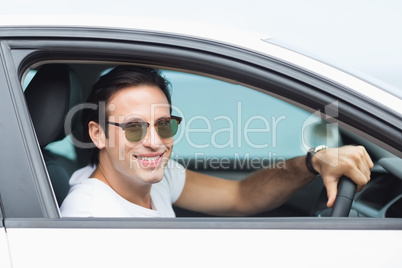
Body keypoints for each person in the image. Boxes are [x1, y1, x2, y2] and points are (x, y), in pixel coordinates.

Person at [60, 66, 373, 217]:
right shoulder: (88, 212)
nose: (155, 142)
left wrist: (313, 161)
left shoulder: (157, 177)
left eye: (164, 125)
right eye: (134, 128)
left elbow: (240, 195)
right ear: (97, 134)